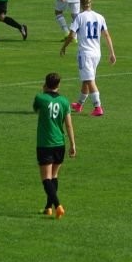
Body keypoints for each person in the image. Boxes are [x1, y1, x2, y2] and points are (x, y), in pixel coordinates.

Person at [60, 0, 116, 116]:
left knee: (89, 80)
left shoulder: (79, 17)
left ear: (81, 4)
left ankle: (98, 107)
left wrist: (64, 46)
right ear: (91, 3)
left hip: (85, 53)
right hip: (97, 53)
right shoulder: (100, 17)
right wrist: (112, 53)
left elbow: (72, 35)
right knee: (87, 79)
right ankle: (79, 104)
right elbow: (106, 35)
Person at [32, 72, 77, 219]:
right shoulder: (64, 101)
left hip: (45, 143)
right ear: (59, 85)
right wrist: (73, 144)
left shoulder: (40, 98)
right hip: (60, 143)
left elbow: (36, 109)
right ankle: (48, 208)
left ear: (45, 84)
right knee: (54, 176)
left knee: (46, 178)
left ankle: (58, 205)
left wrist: (44, 91)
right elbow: (69, 125)